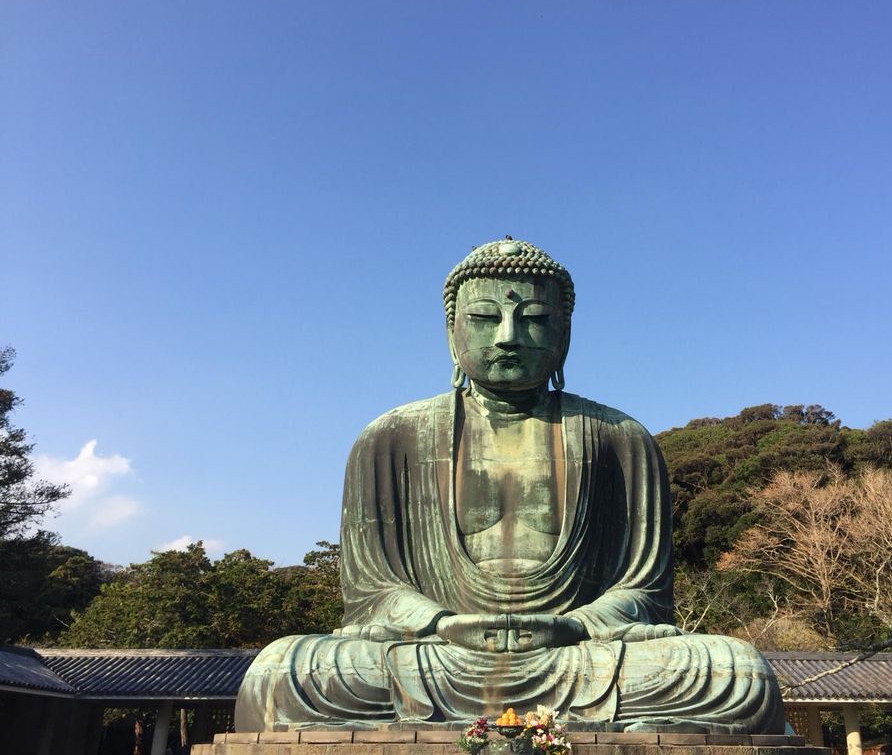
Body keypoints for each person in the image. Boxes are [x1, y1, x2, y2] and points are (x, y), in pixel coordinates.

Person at [234, 240, 783, 732]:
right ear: (451, 333)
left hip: (578, 654)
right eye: (484, 317)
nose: (508, 336)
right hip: (436, 655)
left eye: (535, 320)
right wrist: (444, 623)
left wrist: (571, 625)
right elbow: (372, 593)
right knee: (284, 671)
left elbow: (643, 592)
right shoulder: (390, 439)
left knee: (736, 672)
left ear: (565, 334)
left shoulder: (621, 440)